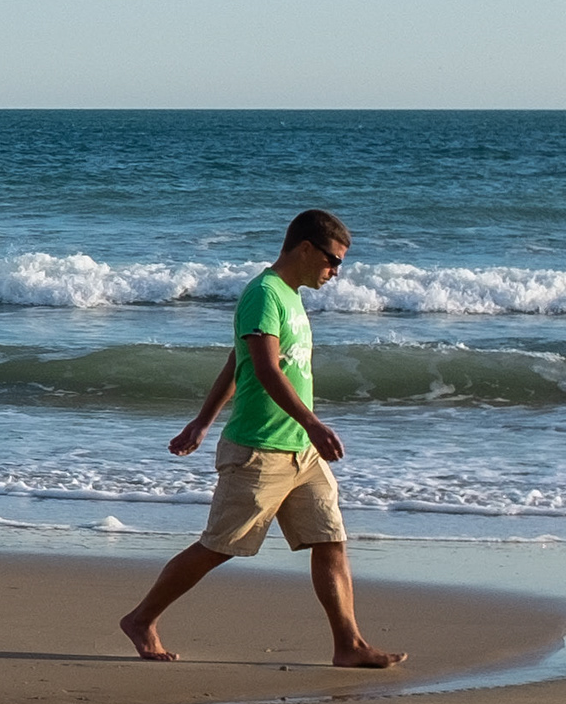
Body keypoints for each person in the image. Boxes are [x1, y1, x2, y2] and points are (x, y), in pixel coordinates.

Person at [117, 209, 403, 670]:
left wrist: (202, 420)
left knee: (330, 539)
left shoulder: (290, 297)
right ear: (306, 248)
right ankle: (140, 618)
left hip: (301, 454)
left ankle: (348, 645)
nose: (336, 272)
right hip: (259, 448)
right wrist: (311, 422)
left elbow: (237, 363)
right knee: (218, 546)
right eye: (333, 260)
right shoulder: (264, 294)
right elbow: (265, 370)